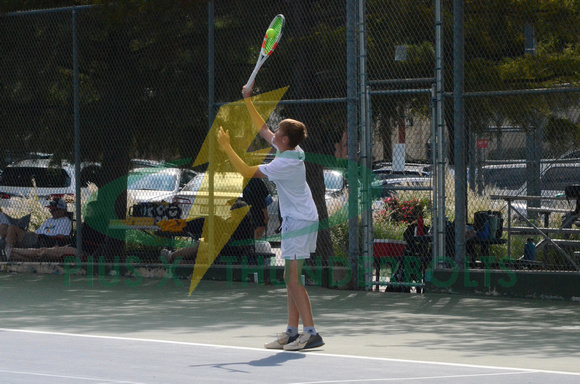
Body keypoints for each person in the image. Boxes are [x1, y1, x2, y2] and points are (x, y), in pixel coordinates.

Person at [215, 82, 323, 351]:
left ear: (285, 139)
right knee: (290, 279)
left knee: (293, 280)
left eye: (279, 131)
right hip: (298, 219)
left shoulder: (284, 163)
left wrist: (226, 147)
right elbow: (263, 128)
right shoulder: (292, 150)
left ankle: (311, 333)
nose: (273, 133)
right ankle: (291, 331)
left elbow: (245, 170)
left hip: (300, 222)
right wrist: (247, 99)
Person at [160, 199, 254, 264]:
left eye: (233, 213)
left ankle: (172, 256)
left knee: (201, 247)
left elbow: (235, 242)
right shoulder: (233, 222)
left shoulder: (244, 225)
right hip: (222, 248)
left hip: (232, 251)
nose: (231, 215)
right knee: (201, 248)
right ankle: (173, 259)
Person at [8, 201, 106, 262]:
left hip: (79, 251)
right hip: (69, 246)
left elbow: (91, 244)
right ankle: (10, 253)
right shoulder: (85, 224)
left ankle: (10, 250)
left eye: (90, 211)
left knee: (42, 251)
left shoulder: (97, 225)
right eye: (87, 210)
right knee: (40, 254)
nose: (52, 212)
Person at [4, 198, 72, 260]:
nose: (51, 212)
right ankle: (10, 250)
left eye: (54, 210)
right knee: (11, 228)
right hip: (36, 238)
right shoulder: (49, 220)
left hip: (44, 241)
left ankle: (9, 251)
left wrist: (43, 236)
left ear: (62, 211)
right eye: (51, 210)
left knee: (13, 228)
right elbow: (37, 232)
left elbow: (62, 237)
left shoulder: (65, 221)